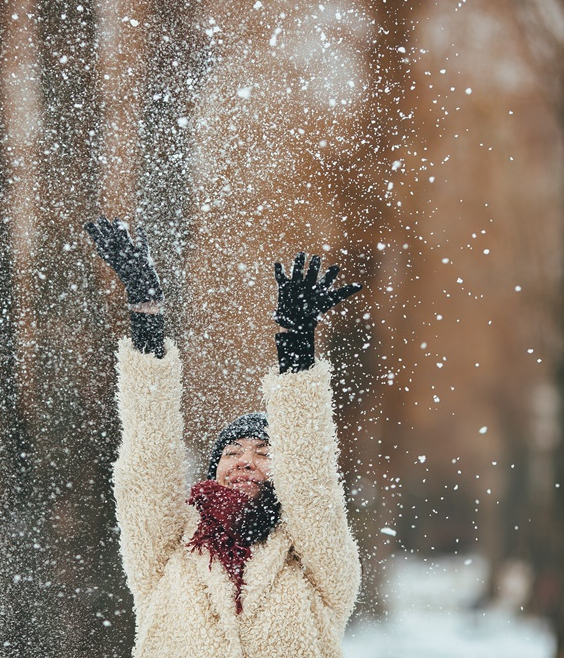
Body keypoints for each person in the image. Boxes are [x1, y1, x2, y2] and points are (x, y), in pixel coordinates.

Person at [85, 215, 363, 658]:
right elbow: (148, 461)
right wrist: (146, 317)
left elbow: (311, 481)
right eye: (232, 451)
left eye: (263, 451)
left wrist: (297, 353)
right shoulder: (168, 549)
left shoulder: (314, 561)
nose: (244, 460)